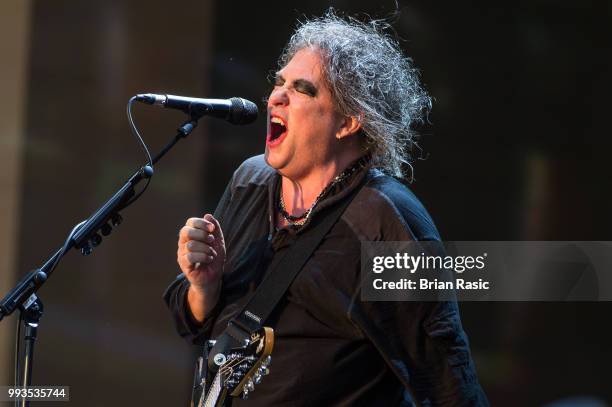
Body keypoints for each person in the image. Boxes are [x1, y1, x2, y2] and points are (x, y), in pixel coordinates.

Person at [164, 11, 489, 406]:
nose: (276, 96)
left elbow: (447, 381)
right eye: (279, 82)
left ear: (349, 122)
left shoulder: (384, 220)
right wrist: (205, 286)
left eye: (302, 89)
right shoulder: (251, 181)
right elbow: (194, 323)